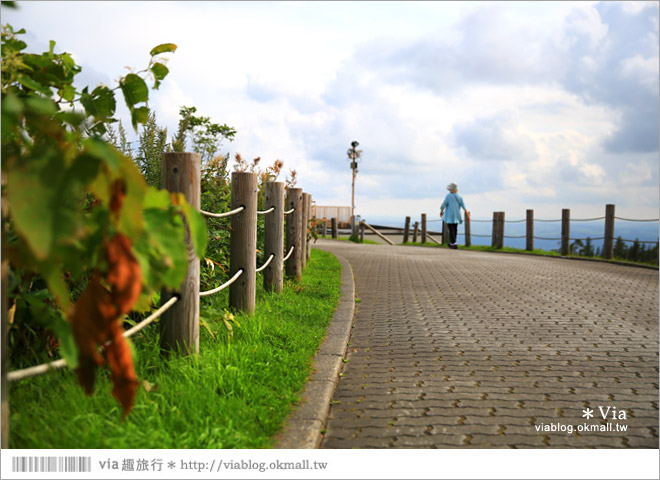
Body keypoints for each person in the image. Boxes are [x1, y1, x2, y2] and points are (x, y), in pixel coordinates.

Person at [440, 182, 469, 249]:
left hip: (450, 215)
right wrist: (467, 214)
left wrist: (441, 210)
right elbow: (463, 206)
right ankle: (454, 242)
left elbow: (444, 204)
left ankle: (453, 243)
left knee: (451, 229)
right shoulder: (459, 196)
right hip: (457, 215)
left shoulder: (448, 196)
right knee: (455, 229)